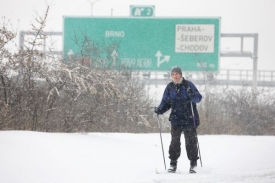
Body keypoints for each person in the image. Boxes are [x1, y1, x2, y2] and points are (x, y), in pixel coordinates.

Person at [154, 66, 202, 173]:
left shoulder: (188, 85)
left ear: (181, 74)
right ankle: (173, 164)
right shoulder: (170, 87)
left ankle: (193, 164)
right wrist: (159, 110)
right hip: (176, 118)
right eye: (173, 74)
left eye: (177, 74)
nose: (175, 76)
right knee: (175, 142)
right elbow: (166, 102)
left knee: (191, 142)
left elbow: (198, 98)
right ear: (171, 76)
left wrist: (192, 94)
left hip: (189, 118)